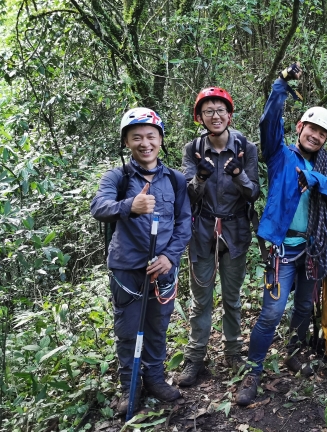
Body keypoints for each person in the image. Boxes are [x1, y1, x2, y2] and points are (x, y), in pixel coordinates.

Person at [235, 63, 327, 406]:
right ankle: (253, 371)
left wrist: (313, 179)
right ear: (300, 128)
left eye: (322, 133)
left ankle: (293, 352)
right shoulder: (281, 156)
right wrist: (281, 86)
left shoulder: (322, 166)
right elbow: (268, 124)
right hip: (282, 247)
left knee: (302, 307)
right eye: (311, 129)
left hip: (313, 247)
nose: (315, 135)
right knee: (272, 311)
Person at [91, 108, 191, 415]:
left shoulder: (175, 180)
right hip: (127, 268)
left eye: (151, 136)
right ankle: (129, 387)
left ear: (161, 140)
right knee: (128, 328)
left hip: (162, 269)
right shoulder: (118, 177)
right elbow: (99, 205)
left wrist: (169, 256)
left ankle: (156, 378)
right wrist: (129, 206)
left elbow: (184, 222)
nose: (144, 143)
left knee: (158, 326)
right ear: (127, 142)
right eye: (136, 137)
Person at [177, 87, 260, 386]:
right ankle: (195, 357)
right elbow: (187, 194)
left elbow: (254, 192)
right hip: (202, 231)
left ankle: (233, 352)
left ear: (229, 115)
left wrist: (239, 174)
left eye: (220, 111)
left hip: (235, 230)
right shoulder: (193, 149)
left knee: (232, 297)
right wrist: (199, 177)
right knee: (201, 300)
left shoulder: (245, 147)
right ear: (200, 117)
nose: (215, 116)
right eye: (209, 111)